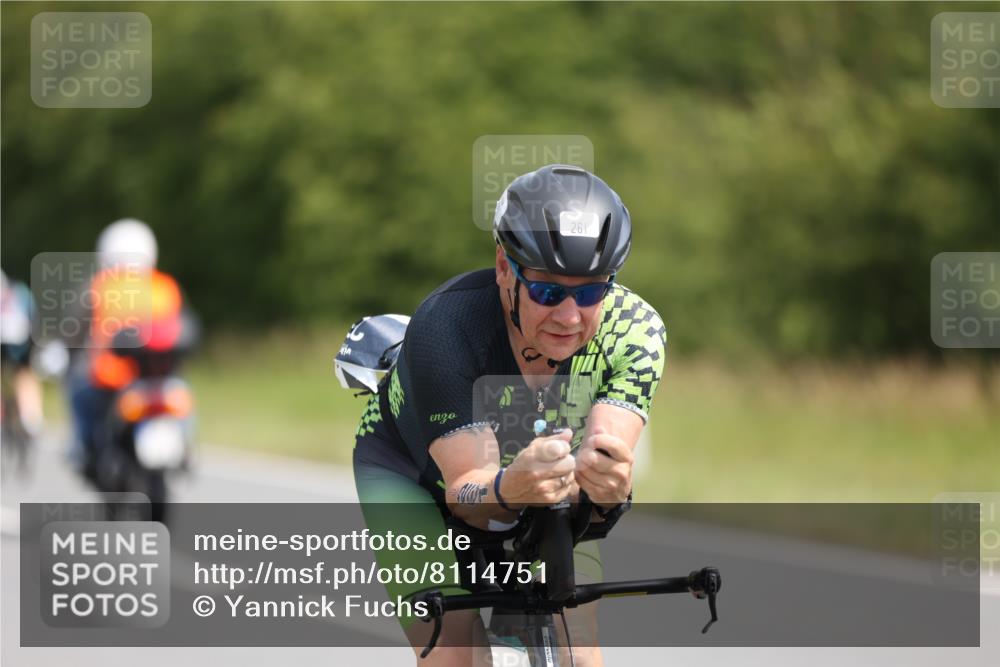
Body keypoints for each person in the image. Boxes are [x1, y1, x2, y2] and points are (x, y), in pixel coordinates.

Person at [351, 165, 667, 666]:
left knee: (580, 650)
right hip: (415, 476)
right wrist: (508, 488)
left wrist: (607, 480)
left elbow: (607, 451)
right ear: (504, 268)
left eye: (590, 292)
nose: (568, 315)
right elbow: (468, 493)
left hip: (543, 478)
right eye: (547, 291)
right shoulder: (446, 327)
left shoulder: (636, 331)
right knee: (453, 652)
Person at [67, 218, 186, 479]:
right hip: (159, 377)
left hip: (110, 379)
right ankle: (187, 448)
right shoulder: (165, 286)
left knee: (79, 395)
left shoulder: (98, 286)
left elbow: (75, 332)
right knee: (182, 399)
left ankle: (83, 450)